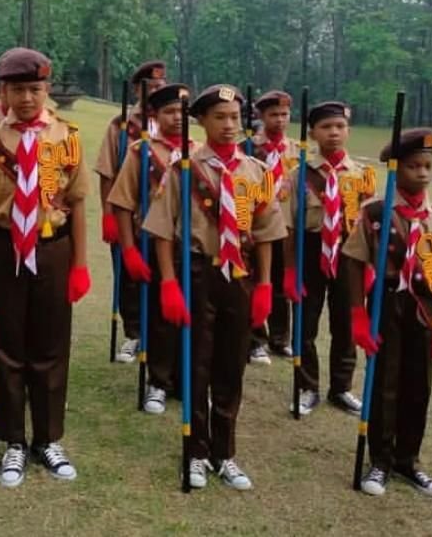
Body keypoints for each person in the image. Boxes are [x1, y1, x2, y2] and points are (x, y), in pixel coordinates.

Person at [0, 47, 91, 489]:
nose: (27, 98)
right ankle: (12, 438)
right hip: (1, 248)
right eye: (17, 89)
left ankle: (47, 438)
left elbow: (78, 202)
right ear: (4, 92)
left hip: (53, 249)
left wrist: (80, 264)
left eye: (35, 88)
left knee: (51, 347)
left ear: (47, 89)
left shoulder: (67, 137)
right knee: (7, 347)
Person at [144, 84, 286, 490]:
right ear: (201, 121)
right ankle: (195, 451)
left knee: (230, 365)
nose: (229, 125)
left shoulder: (257, 173)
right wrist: (169, 283)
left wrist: (264, 286)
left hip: (239, 277)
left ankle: (225, 453)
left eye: (235, 118)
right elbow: (162, 232)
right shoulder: (183, 169)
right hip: (197, 272)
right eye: (220, 117)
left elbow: (267, 232)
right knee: (197, 365)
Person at [343, 129, 432, 498]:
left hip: (424, 307)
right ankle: (379, 460)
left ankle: (408, 460)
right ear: (396, 168)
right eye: (413, 166)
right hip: (387, 301)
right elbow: (352, 263)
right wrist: (357, 315)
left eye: (427, 166)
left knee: (418, 386)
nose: (422, 173)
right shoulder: (376, 214)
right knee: (385, 383)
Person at [284, 101, 376, 417]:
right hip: (310, 252)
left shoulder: (363, 176)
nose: (334, 133)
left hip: (349, 254)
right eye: (326, 127)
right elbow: (289, 226)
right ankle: (307, 387)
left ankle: (341, 388)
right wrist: (290, 270)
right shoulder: (299, 175)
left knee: (346, 323)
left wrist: (369, 268)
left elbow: (369, 228)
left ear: (348, 130)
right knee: (305, 324)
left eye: (339, 126)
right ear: (312, 133)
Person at [107, 83, 193, 414]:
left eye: (183, 111)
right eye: (170, 111)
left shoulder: (198, 153)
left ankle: (186, 379)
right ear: (155, 115)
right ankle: (158, 381)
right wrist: (128, 249)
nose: (177, 117)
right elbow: (123, 203)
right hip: (151, 242)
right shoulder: (141, 152)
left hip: (190, 247)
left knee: (191, 314)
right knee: (159, 317)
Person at [95, 60, 167, 363]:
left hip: (165, 220)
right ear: (137, 89)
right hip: (131, 215)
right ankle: (134, 334)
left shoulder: (172, 120)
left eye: (161, 87)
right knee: (129, 276)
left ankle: (161, 335)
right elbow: (107, 171)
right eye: (150, 87)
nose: (156, 91)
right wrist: (108, 214)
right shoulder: (122, 124)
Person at [247, 90, 302, 364]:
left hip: (286, 225)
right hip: (257, 224)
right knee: (256, 279)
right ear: (261, 116)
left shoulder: (296, 149)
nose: (280, 120)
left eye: (284, 115)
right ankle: (256, 338)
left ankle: (281, 338)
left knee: (282, 283)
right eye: (273, 115)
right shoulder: (250, 147)